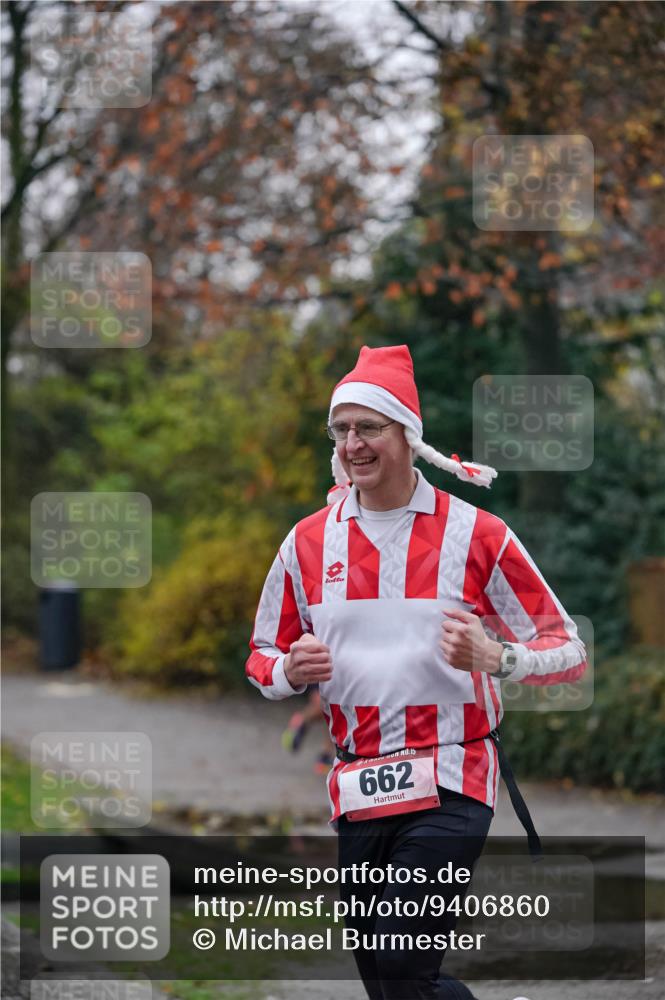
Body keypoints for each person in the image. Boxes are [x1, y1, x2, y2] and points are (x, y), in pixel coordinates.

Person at [246, 344, 587, 1000]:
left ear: (406, 434)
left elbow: (566, 649)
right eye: (340, 430)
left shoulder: (476, 534)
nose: (352, 443)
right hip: (358, 782)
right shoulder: (308, 542)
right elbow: (261, 657)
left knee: (403, 962)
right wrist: (289, 668)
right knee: (382, 977)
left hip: (452, 776)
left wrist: (497, 658)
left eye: (368, 427)